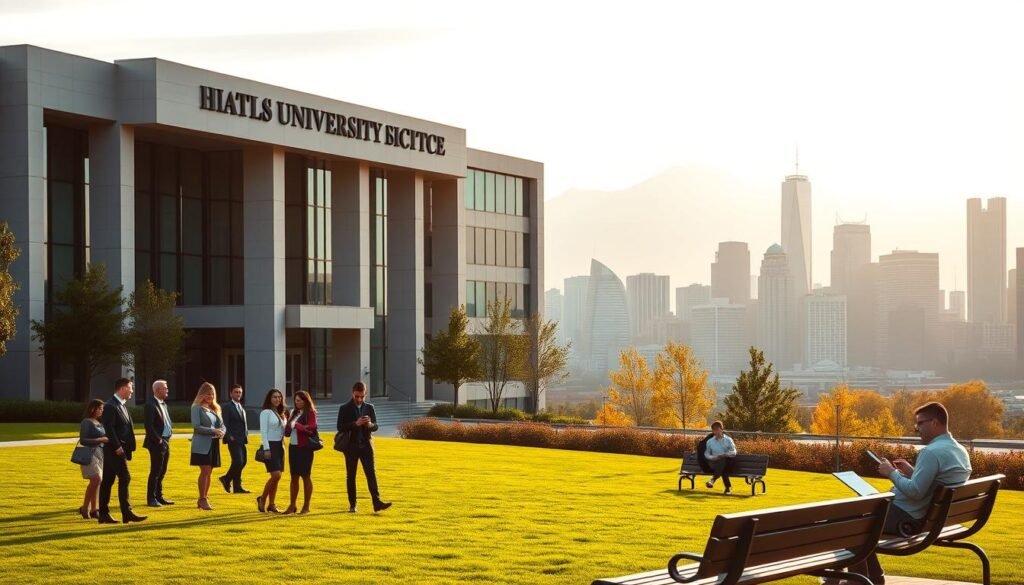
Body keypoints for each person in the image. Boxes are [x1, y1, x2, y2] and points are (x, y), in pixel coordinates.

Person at [829, 402, 973, 585]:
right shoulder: (959, 450)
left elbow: (915, 492)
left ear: (935, 422)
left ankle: (854, 582)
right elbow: (933, 485)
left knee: (847, 525)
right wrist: (913, 472)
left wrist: (891, 473)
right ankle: (873, 579)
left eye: (920, 423)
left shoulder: (931, 452)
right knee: (857, 517)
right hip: (926, 517)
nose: (916, 429)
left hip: (907, 519)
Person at [98, 378, 147, 524]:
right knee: (125, 477)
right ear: (122, 388)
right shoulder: (111, 406)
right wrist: (117, 446)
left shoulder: (121, 405)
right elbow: (109, 428)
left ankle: (104, 514)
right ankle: (127, 512)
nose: (132, 390)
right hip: (114, 450)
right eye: (130, 387)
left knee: (108, 480)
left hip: (118, 449)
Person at [337, 381, 391, 513]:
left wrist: (370, 425)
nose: (359, 399)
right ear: (352, 393)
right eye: (357, 396)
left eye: (362, 396)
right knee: (351, 476)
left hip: (366, 445)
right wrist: (355, 424)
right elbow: (340, 427)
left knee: (371, 474)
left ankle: (377, 502)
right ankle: (353, 504)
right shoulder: (344, 408)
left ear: (365, 394)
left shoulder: (369, 407)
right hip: (351, 446)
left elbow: (376, 426)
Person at [190, 382, 225, 511]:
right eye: (208, 394)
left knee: (209, 472)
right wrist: (213, 431)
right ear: (202, 394)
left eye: (212, 394)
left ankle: (204, 497)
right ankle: (202, 498)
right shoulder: (196, 408)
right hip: (201, 444)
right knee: (205, 471)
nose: (210, 396)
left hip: (214, 443)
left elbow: (222, 425)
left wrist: (222, 432)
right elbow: (196, 427)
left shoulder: (215, 408)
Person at [283, 390, 318, 514]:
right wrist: (289, 424)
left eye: (299, 400)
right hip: (293, 448)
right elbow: (287, 432)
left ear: (305, 401)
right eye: (295, 400)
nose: (297, 402)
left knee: (306, 476)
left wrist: (297, 425)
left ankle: (306, 506)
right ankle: (292, 505)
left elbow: (311, 427)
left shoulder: (311, 412)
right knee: (294, 477)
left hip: (305, 448)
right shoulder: (293, 412)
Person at [143, 379, 175, 507]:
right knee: (156, 470)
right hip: (157, 442)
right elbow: (149, 426)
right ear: (157, 390)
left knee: (162, 470)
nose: (167, 390)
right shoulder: (150, 405)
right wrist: (159, 440)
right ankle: (151, 498)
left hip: (166, 440)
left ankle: (159, 496)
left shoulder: (163, 404)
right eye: (165, 388)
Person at [77, 399, 108, 520]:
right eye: (99, 408)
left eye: (102, 408)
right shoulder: (87, 422)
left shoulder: (98, 421)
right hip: (89, 453)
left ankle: (94, 510)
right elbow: (83, 440)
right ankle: (85, 508)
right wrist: (101, 439)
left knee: (98, 482)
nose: (101, 410)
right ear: (92, 409)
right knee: (96, 479)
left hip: (100, 453)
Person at [257, 388, 287, 513]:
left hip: (280, 446)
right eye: (274, 397)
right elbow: (263, 432)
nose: (277, 399)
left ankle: (272, 504)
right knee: (276, 475)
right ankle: (262, 499)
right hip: (270, 446)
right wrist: (267, 448)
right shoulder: (266, 412)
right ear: (269, 399)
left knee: (277, 478)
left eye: (279, 397)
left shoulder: (281, 413)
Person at [219, 383, 250, 494]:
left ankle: (237, 487)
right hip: (233, 439)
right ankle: (226, 479)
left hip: (242, 439)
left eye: (240, 392)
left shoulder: (241, 406)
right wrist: (229, 437)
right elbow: (224, 423)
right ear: (230, 394)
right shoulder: (227, 407)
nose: (238, 394)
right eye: (236, 392)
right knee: (238, 461)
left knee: (243, 462)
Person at [703, 421, 736, 494]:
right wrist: (712, 457)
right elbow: (707, 453)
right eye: (714, 430)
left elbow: (734, 452)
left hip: (726, 463)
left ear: (722, 429)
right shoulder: (710, 441)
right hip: (714, 463)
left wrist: (725, 454)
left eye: (717, 429)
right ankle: (727, 488)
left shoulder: (728, 440)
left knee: (723, 462)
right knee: (723, 466)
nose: (716, 432)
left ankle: (712, 480)